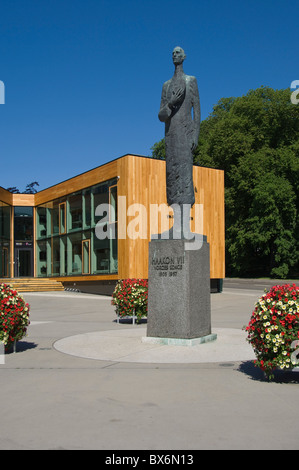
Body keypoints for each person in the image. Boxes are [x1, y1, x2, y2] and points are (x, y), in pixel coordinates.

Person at [158, 47, 200, 208]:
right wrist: (171, 103)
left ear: (184, 57)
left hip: (185, 133)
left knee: (185, 173)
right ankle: (176, 221)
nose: (175, 55)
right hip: (171, 136)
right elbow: (161, 116)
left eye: (178, 53)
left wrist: (195, 135)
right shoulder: (166, 86)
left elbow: (197, 110)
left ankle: (185, 224)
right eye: (173, 53)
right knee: (171, 174)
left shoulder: (191, 81)